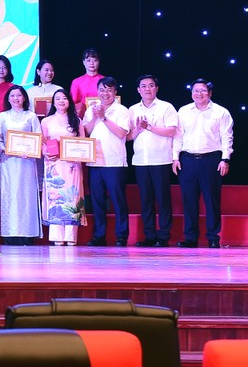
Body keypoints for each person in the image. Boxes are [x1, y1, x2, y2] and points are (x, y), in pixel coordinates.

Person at [173, 79, 234, 249]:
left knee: (211, 199)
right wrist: (175, 157)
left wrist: (225, 159)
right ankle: (190, 238)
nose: (199, 93)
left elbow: (227, 137)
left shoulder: (221, 112)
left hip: (211, 160)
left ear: (210, 93)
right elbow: (178, 136)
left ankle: (213, 237)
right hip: (187, 160)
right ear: (191, 93)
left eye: (203, 90)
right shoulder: (183, 111)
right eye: (195, 90)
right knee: (189, 200)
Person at [128, 74, 178, 247]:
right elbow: (128, 137)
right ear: (138, 90)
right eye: (143, 86)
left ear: (156, 88)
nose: (147, 89)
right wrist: (137, 129)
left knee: (163, 200)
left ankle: (163, 236)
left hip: (161, 160)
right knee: (146, 200)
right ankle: (149, 236)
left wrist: (149, 127)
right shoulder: (132, 109)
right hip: (141, 161)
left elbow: (172, 131)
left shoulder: (166, 107)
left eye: (151, 85)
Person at [82, 76, 130, 246]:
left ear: (115, 92)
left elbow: (121, 133)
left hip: (114, 162)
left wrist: (103, 117)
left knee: (118, 200)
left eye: (109, 90)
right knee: (97, 201)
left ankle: (121, 236)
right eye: (102, 90)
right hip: (94, 162)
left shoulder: (122, 110)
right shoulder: (91, 109)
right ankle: (99, 235)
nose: (105, 93)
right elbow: (85, 132)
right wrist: (95, 117)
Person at [0, 85, 42, 245]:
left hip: (27, 161)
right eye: (12, 95)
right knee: (10, 194)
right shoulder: (2, 116)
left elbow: (38, 136)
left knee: (26, 194)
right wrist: (5, 149)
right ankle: (9, 233)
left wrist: (31, 150)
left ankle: (28, 233)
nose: (16, 98)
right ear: (8, 99)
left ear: (24, 98)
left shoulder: (31, 116)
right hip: (8, 161)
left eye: (19, 95)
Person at [42, 89, 84, 245]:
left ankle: (71, 236)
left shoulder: (77, 121)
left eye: (64, 98)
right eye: (58, 98)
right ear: (53, 102)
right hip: (54, 165)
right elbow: (43, 143)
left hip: (72, 165)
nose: (61, 101)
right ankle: (57, 237)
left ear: (69, 101)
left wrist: (80, 155)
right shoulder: (46, 121)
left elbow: (83, 142)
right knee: (56, 199)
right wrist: (45, 153)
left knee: (72, 198)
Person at [70, 48, 104, 116]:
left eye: (95, 60)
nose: (92, 63)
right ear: (83, 62)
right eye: (88, 60)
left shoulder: (105, 80)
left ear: (99, 62)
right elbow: (73, 103)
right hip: (83, 117)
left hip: (103, 115)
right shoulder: (76, 82)